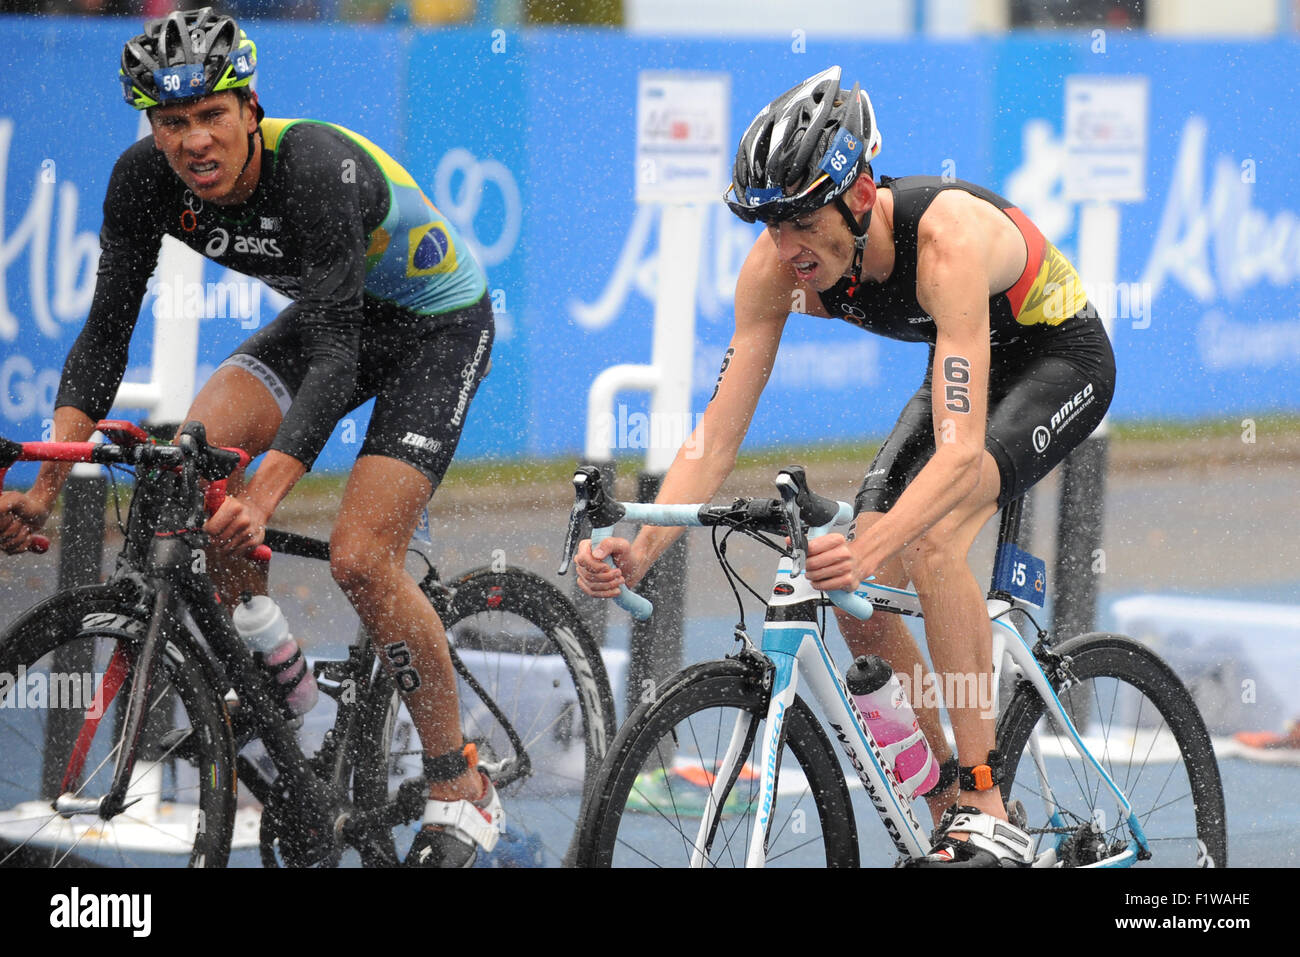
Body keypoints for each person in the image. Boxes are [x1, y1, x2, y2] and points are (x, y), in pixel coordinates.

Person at [575, 66, 1116, 867]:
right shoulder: (776, 271)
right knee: (853, 565)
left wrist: (881, 539)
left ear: (858, 195)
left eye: (799, 221)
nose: (786, 247)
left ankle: (986, 798)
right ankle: (940, 798)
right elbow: (713, 441)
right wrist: (641, 545)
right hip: (969, 365)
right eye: (768, 222)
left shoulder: (948, 240)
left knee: (927, 542)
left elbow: (962, 453)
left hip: (1060, 361)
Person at [0, 7, 500, 867]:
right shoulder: (142, 180)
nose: (195, 140)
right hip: (332, 319)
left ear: (250, 109)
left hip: (431, 326)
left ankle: (462, 782)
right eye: (173, 122)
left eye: (211, 116)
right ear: (153, 129)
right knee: (194, 459)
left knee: (359, 557)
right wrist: (48, 482)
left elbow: (339, 354)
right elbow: (106, 331)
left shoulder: (315, 168)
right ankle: (279, 668)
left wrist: (267, 491)